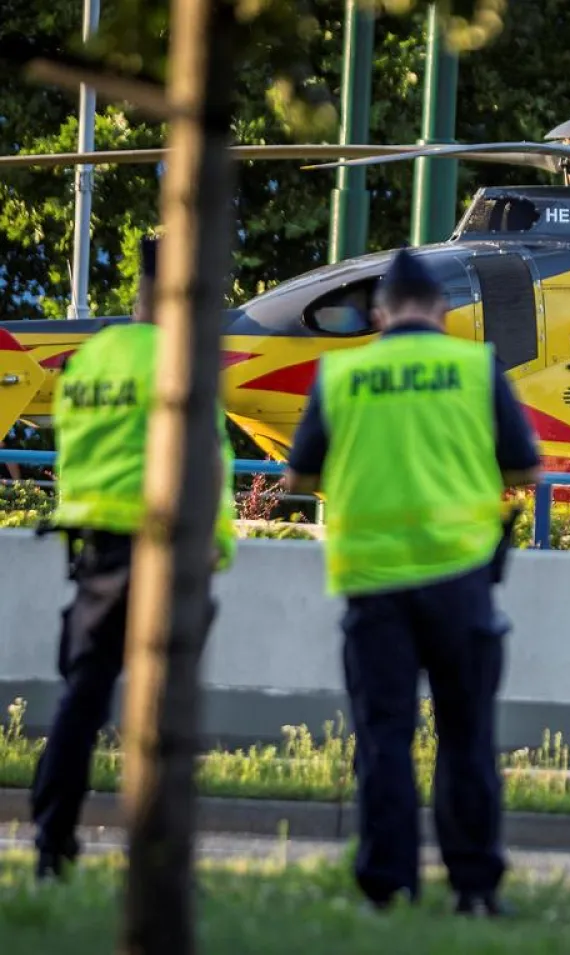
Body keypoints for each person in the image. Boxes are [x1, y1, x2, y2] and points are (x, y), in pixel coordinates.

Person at [282, 249, 540, 917]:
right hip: (460, 579)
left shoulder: (342, 374)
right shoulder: (476, 368)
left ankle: (386, 888)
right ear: (442, 310)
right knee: (466, 738)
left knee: (384, 740)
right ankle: (474, 888)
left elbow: (298, 479)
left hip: (374, 584)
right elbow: (524, 468)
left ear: (379, 314)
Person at [30, 236, 238, 880]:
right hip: (166, 549)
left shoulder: (91, 359)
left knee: (82, 699)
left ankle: (51, 841)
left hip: (96, 552)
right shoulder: (182, 360)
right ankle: (157, 858)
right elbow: (207, 459)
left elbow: (74, 451)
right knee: (165, 713)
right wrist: (216, 544)